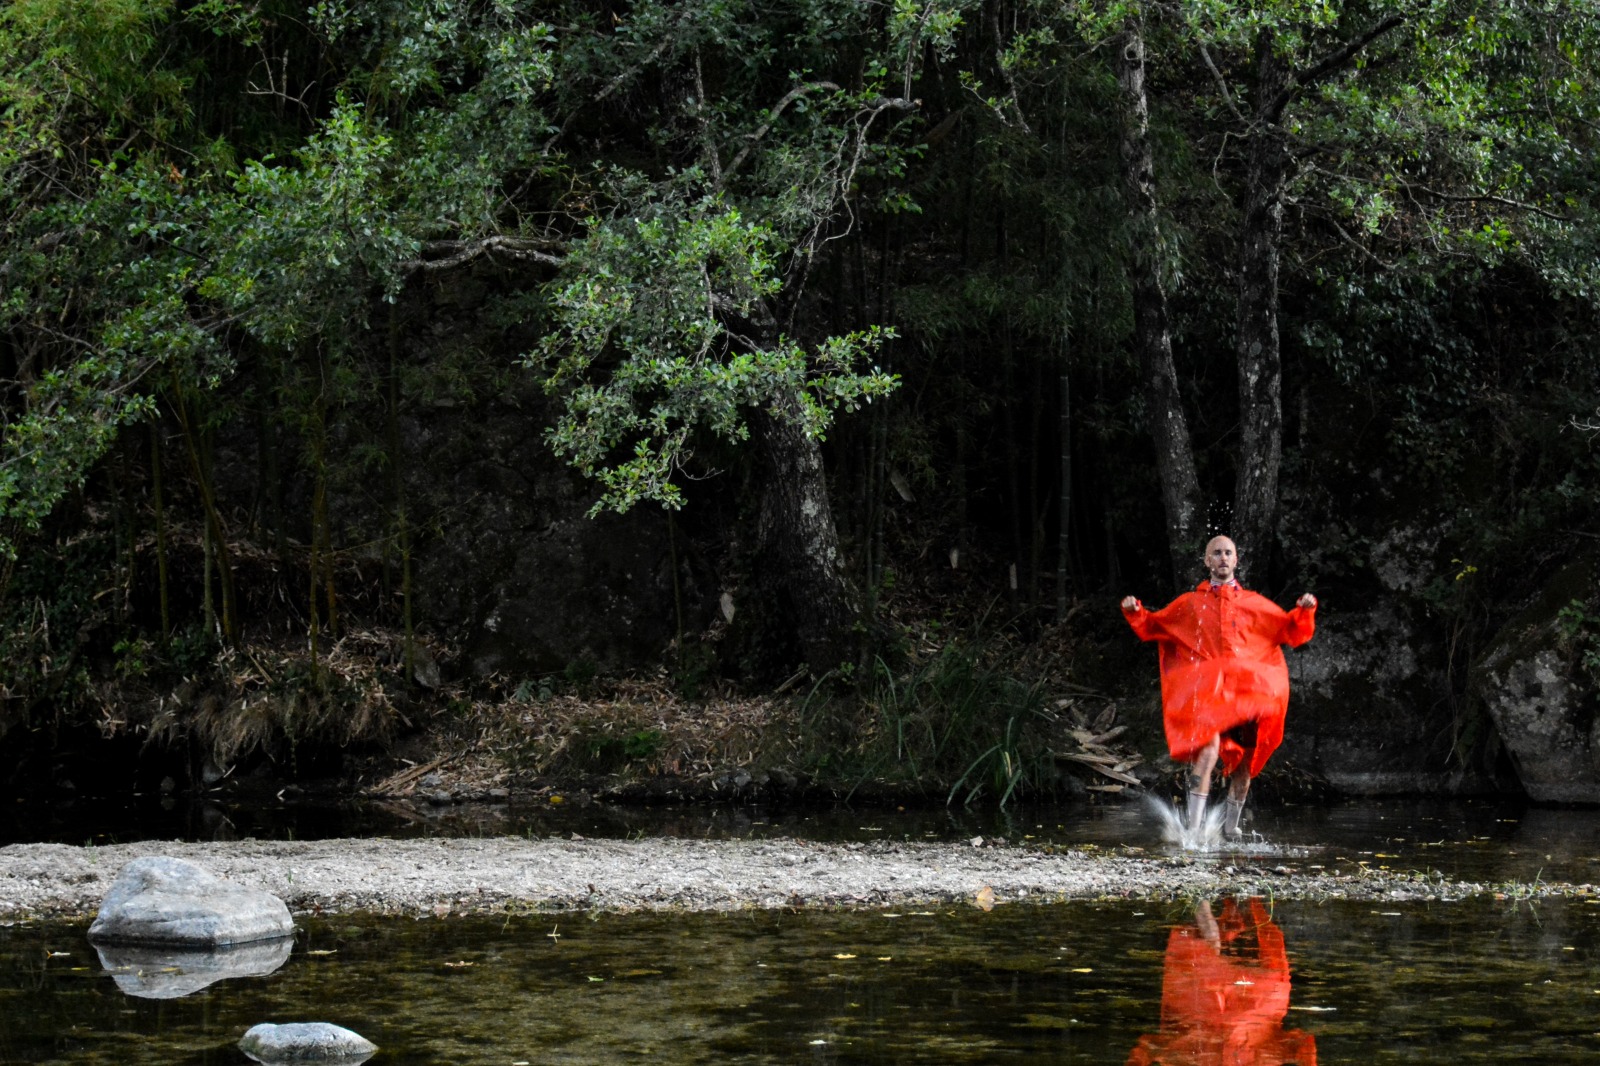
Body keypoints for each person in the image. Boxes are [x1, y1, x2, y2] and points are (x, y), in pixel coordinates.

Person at [1120, 535, 1316, 838]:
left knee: (1244, 768)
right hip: (1210, 698)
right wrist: (1135, 612)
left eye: (1228, 553)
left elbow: (1289, 629)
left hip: (1246, 698)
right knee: (1207, 753)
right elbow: (1156, 626)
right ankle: (1195, 830)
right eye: (1217, 553)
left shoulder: (1254, 604)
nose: (1223, 558)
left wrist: (1304, 610)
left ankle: (1231, 829)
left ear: (1236, 560)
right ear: (1207, 561)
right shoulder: (1190, 604)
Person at [1126, 897, 1319, 1066]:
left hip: (1250, 997)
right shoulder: (1180, 1060)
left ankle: (1227, 906)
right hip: (1206, 997)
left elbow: (1302, 1043)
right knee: (1198, 944)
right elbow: (1148, 1047)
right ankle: (1209, 909)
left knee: (1254, 917)